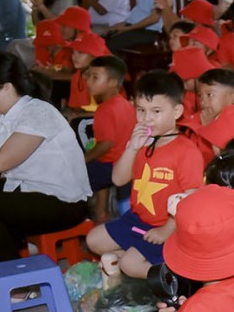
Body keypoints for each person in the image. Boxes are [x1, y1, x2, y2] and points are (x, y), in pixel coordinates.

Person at [0, 53, 90, 281]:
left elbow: (0, 161)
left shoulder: (38, 112)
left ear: (7, 87)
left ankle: (18, 282)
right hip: (24, 192)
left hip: (63, 201)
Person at [85, 71, 205, 279]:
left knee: (131, 264)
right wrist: (132, 147)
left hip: (170, 226)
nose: (146, 118)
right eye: (141, 110)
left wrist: (168, 229)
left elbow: (191, 197)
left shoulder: (186, 150)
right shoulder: (142, 142)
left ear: (177, 111)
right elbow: (118, 179)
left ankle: (174, 280)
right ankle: (132, 260)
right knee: (93, 240)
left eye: (156, 111)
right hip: (139, 219)